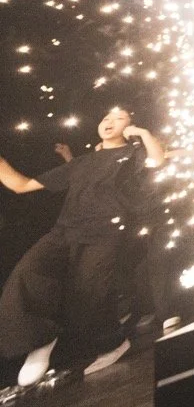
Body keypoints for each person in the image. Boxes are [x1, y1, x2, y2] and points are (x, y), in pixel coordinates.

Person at [0, 107, 164, 385]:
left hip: (105, 233)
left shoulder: (132, 154)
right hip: (64, 232)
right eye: (105, 117)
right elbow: (21, 185)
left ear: (130, 127)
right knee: (26, 273)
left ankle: (113, 343)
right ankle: (40, 340)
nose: (109, 121)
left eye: (119, 118)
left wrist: (142, 133)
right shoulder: (81, 162)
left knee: (89, 295)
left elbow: (157, 160)